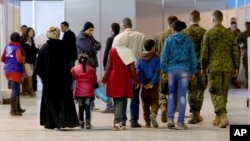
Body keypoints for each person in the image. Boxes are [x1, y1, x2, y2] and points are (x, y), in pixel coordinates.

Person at [200, 10, 239, 128]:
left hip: (214, 67)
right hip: (227, 67)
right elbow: (235, 52)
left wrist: (203, 66)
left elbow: (205, 52)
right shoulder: (230, 34)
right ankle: (218, 118)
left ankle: (223, 116)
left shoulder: (209, 33)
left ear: (213, 19)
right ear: (222, 19)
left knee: (215, 92)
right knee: (223, 93)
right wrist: (236, 67)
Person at [36, 26, 79, 130]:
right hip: (63, 80)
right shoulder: (64, 46)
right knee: (63, 101)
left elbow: (39, 67)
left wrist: (44, 78)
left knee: (50, 101)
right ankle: (63, 121)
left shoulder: (44, 47)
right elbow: (70, 61)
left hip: (49, 81)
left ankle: (51, 122)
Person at [161, 20, 197, 130]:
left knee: (171, 94)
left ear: (172, 29)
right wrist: (193, 71)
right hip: (184, 70)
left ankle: (170, 118)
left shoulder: (169, 40)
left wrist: (163, 70)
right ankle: (180, 122)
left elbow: (164, 56)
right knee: (182, 96)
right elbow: (193, 57)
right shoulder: (188, 40)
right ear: (182, 28)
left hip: (171, 70)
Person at [101, 33, 140, 131]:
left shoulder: (113, 51)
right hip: (124, 78)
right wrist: (136, 81)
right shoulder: (129, 52)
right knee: (121, 101)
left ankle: (120, 121)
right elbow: (132, 69)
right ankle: (117, 122)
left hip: (113, 78)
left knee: (117, 100)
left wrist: (104, 80)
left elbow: (108, 67)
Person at [112, 17, 145, 128]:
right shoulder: (141, 36)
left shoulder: (117, 37)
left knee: (122, 95)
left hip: (122, 71)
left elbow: (112, 55)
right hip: (136, 69)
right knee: (135, 96)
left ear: (123, 26)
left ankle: (122, 120)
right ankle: (134, 120)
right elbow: (144, 54)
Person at [183, 10, 207, 124]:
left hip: (189, 66)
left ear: (189, 19)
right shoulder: (205, 32)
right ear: (199, 19)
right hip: (202, 66)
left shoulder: (184, 33)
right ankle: (198, 113)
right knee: (200, 90)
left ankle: (194, 114)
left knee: (191, 90)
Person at [154, 16, 178, 123]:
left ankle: (163, 106)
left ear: (167, 23)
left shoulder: (159, 36)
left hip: (162, 69)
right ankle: (170, 115)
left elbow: (155, 53)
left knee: (161, 91)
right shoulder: (179, 36)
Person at [76, 21, 101, 111]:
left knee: (92, 82)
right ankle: (88, 103)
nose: (91, 32)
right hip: (85, 65)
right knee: (88, 84)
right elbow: (89, 49)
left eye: (92, 30)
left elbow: (98, 45)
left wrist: (94, 47)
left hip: (92, 63)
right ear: (86, 29)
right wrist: (94, 48)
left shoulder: (90, 36)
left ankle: (92, 103)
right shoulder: (81, 38)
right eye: (90, 30)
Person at [1, 32, 26, 116]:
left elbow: (2, 58)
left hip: (8, 70)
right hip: (15, 70)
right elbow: (19, 59)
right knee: (15, 90)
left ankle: (18, 108)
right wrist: (24, 58)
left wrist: (9, 63)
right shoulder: (17, 48)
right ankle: (13, 110)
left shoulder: (7, 47)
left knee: (17, 89)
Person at [137, 39, 160, 128]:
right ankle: (153, 113)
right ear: (153, 47)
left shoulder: (140, 58)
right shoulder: (156, 57)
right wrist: (152, 83)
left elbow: (138, 71)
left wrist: (144, 83)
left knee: (145, 103)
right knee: (155, 100)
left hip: (144, 83)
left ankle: (147, 122)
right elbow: (158, 71)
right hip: (154, 83)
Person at [71, 54, 97, 129]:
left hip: (79, 92)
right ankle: (88, 123)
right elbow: (94, 80)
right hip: (88, 92)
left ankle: (81, 122)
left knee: (80, 107)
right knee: (87, 107)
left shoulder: (74, 69)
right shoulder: (91, 69)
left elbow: (72, 77)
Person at [101, 23, 120, 113]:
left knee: (108, 86)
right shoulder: (120, 38)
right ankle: (116, 106)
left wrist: (104, 64)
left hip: (110, 64)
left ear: (112, 29)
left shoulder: (110, 39)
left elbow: (106, 52)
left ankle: (109, 105)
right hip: (119, 65)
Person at [21, 27, 39, 97]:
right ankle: (30, 89)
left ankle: (25, 89)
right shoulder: (24, 41)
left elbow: (34, 51)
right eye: (30, 31)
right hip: (26, 60)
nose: (32, 33)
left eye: (32, 31)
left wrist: (38, 48)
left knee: (28, 75)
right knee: (29, 75)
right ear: (27, 33)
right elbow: (25, 51)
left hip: (32, 60)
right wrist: (27, 45)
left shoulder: (32, 41)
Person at [236, 21, 250, 88]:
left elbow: (236, 41)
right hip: (246, 52)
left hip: (246, 53)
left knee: (247, 68)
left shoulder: (243, 33)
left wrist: (241, 45)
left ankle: (248, 82)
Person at [229, 21, 242, 88]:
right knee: (231, 67)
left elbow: (241, 40)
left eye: (236, 27)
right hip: (230, 53)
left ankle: (234, 80)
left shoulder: (238, 32)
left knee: (237, 66)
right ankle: (230, 81)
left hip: (237, 52)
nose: (235, 28)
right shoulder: (227, 33)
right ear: (230, 26)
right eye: (234, 27)